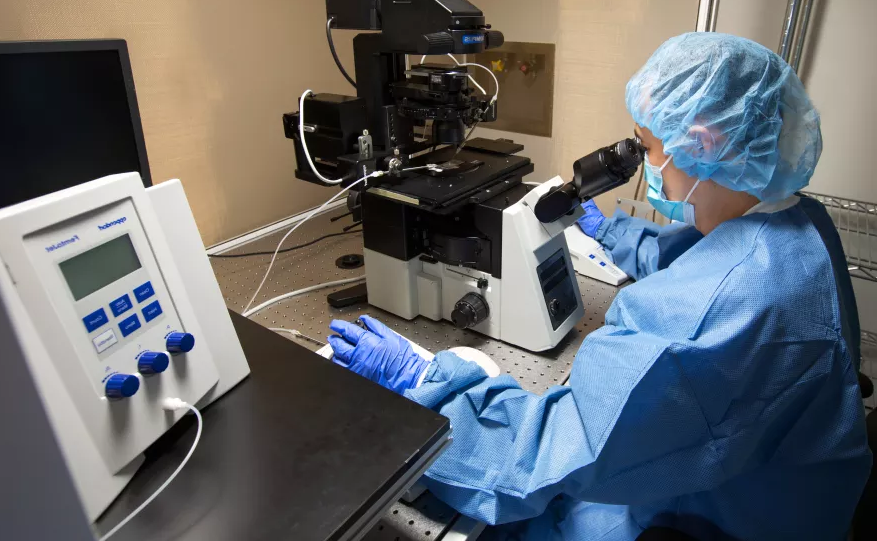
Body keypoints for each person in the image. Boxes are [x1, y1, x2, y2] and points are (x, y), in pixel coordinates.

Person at [327, 33, 872, 540]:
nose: (646, 164)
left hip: (710, 522)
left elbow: (550, 453)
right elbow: (696, 259)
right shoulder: (794, 222)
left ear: (702, 143)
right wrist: (607, 230)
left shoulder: (710, 315)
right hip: (777, 497)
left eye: (648, 145)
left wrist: (427, 383)